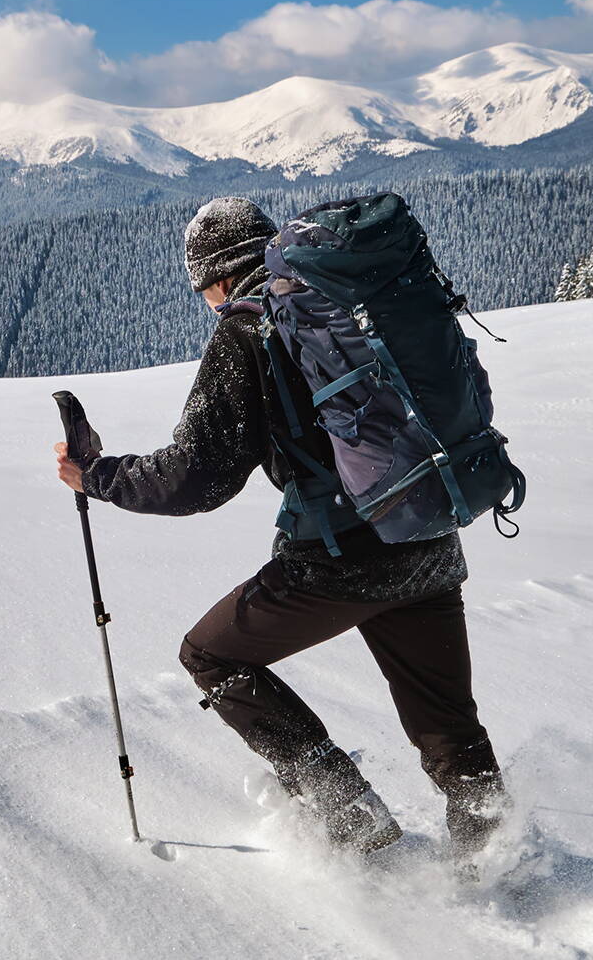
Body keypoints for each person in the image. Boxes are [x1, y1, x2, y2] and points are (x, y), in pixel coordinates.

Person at [55, 196, 505, 858]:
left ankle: (353, 819)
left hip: (340, 557)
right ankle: (496, 857)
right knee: (448, 726)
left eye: (201, 291)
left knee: (211, 655)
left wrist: (97, 475)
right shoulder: (346, 305)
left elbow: (196, 476)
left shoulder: (248, 330)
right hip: (426, 532)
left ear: (215, 278)